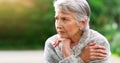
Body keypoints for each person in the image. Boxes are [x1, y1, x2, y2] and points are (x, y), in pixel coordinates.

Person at [44, 0, 111, 63]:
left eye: (64, 19)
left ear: (82, 23)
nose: (58, 25)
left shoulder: (99, 42)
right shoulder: (51, 43)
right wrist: (81, 59)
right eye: (56, 18)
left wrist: (67, 55)